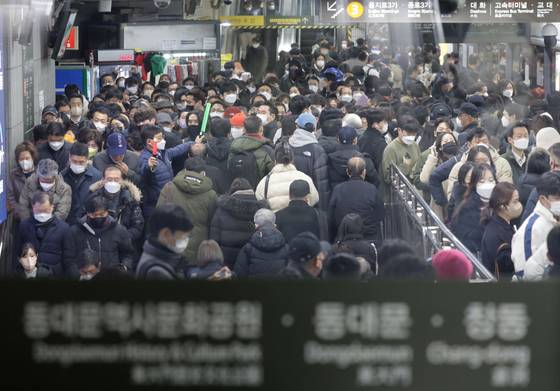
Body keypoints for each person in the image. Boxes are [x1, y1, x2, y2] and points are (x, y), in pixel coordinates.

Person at [156, 157, 217, 264]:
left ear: (184, 170)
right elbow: (212, 223)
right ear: (203, 173)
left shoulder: (169, 187)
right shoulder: (211, 195)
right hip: (198, 251)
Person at [138, 125, 196, 218]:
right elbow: (144, 174)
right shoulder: (145, 158)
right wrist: (149, 167)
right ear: (149, 142)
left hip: (166, 200)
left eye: (163, 138)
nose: (163, 141)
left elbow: (178, 149)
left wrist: (194, 143)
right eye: (159, 138)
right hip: (154, 206)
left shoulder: (163, 153)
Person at [209, 178, 266, 267]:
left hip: (227, 260)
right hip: (252, 259)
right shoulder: (261, 210)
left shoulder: (221, 209)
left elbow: (214, 238)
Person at [513, 172, 560, 279]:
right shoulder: (531, 229)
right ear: (543, 199)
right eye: (558, 198)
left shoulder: (555, 217)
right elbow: (526, 275)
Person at [70, 196, 135, 273]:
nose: (98, 217)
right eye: (94, 215)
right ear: (87, 213)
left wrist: (124, 267)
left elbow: (128, 254)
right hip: (84, 275)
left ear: (107, 212)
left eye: (101, 214)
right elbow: (69, 256)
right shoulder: (75, 231)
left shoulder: (120, 230)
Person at [17, 192, 76, 277]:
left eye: (45, 211)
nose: (42, 214)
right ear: (33, 207)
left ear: (52, 207)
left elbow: (68, 258)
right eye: (38, 211)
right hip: (30, 274)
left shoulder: (64, 228)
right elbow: (18, 252)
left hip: (54, 275)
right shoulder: (24, 225)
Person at [329, 157, 382, 241]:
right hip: (368, 236)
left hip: (344, 235)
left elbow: (331, 215)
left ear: (347, 172)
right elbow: (380, 214)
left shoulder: (338, 189)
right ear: (364, 172)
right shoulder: (372, 189)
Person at [87, 166, 144, 244]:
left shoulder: (130, 199)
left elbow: (137, 226)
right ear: (103, 180)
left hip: (123, 243)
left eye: (116, 179)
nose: (113, 182)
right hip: (98, 242)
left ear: (121, 180)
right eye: (109, 179)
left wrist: (121, 239)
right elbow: (84, 221)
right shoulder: (93, 197)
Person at [255, 142, 318, 212]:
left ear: (275, 161)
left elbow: (260, 203)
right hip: (302, 219)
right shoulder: (305, 178)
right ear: (292, 160)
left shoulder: (264, 182)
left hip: (275, 221)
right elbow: (314, 199)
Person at [136, 204, 194, 280]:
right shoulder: (156, 272)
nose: (186, 241)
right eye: (183, 237)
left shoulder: (164, 256)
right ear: (166, 233)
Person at [450, 163, 497, 254]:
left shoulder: (499, 203)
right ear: (474, 184)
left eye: (491, 180)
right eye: (482, 181)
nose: (487, 185)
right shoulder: (467, 208)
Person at [288, 112, 330, 210]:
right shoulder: (317, 149)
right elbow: (321, 183)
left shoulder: (286, 145)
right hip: (309, 201)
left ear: (297, 125)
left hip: (287, 198)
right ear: (314, 128)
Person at [234, 208, 289, 277]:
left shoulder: (248, 249)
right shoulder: (286, 249)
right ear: (274, 225)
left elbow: (239, 274)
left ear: (256, 225)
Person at [480, 182, 520, 276]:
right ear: (502, 206)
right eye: (515, 201)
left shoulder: (505, 223)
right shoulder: (496, 234)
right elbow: (506, 267)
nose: (518, 204)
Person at [228, 115, 274, 188]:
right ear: (261, 128)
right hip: (258, 191)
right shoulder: (266, 149)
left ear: (244, 130)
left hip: (236, 190)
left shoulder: (234, 147)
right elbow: (272, 174)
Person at [327, 126, 380, 190]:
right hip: (362, 197)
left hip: (338, 197)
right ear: (355, 140)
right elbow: (375, 180)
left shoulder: (330, 159)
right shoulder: (364, 159)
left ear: (338, 140)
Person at [61, 142, 102, 225]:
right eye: (74, 161)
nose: (77, 164)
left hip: (88, 223)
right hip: (66, 222)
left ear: (87, 159)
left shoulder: (97, 177)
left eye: (81, 162)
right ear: (69, 157)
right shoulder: (61, 176)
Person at [381, 115, 421, 184]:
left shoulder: (414, 145)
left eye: (414, 134)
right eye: (408, 133)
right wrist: (404, 166)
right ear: (399, 130)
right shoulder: (391, 149)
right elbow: (387, 177)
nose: (411, 137)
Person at [8, 141, 37, 220]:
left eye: (27, 158)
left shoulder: (40, 173)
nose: (24, 162)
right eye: (21, 159)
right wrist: (22, 213)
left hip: (39, 216)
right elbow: (11, 198)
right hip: (20, 218)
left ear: (33, 158)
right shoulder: (13, 175)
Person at [501, 121, 529, 187]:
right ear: (510, 140)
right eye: (519, 136)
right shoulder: (503, 160)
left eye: (526, 136)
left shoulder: (531, 159)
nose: (523, 139)